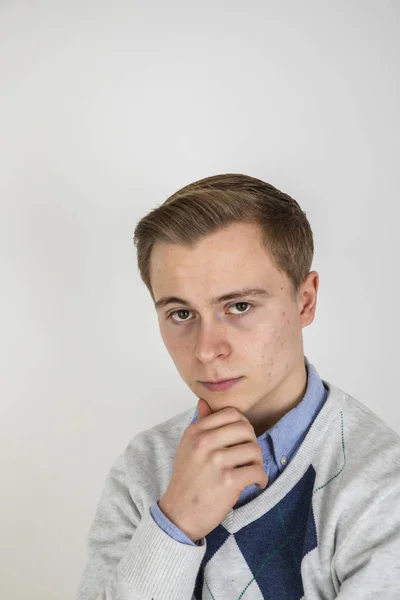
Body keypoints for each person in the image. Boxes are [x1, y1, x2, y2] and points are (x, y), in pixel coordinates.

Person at [76, 174, 400, 600]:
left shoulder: (382, 487)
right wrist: (174, 524)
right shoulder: (142, 468)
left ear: (305, 300)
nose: (207, 350)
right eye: (180, 314)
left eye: (240, 306)